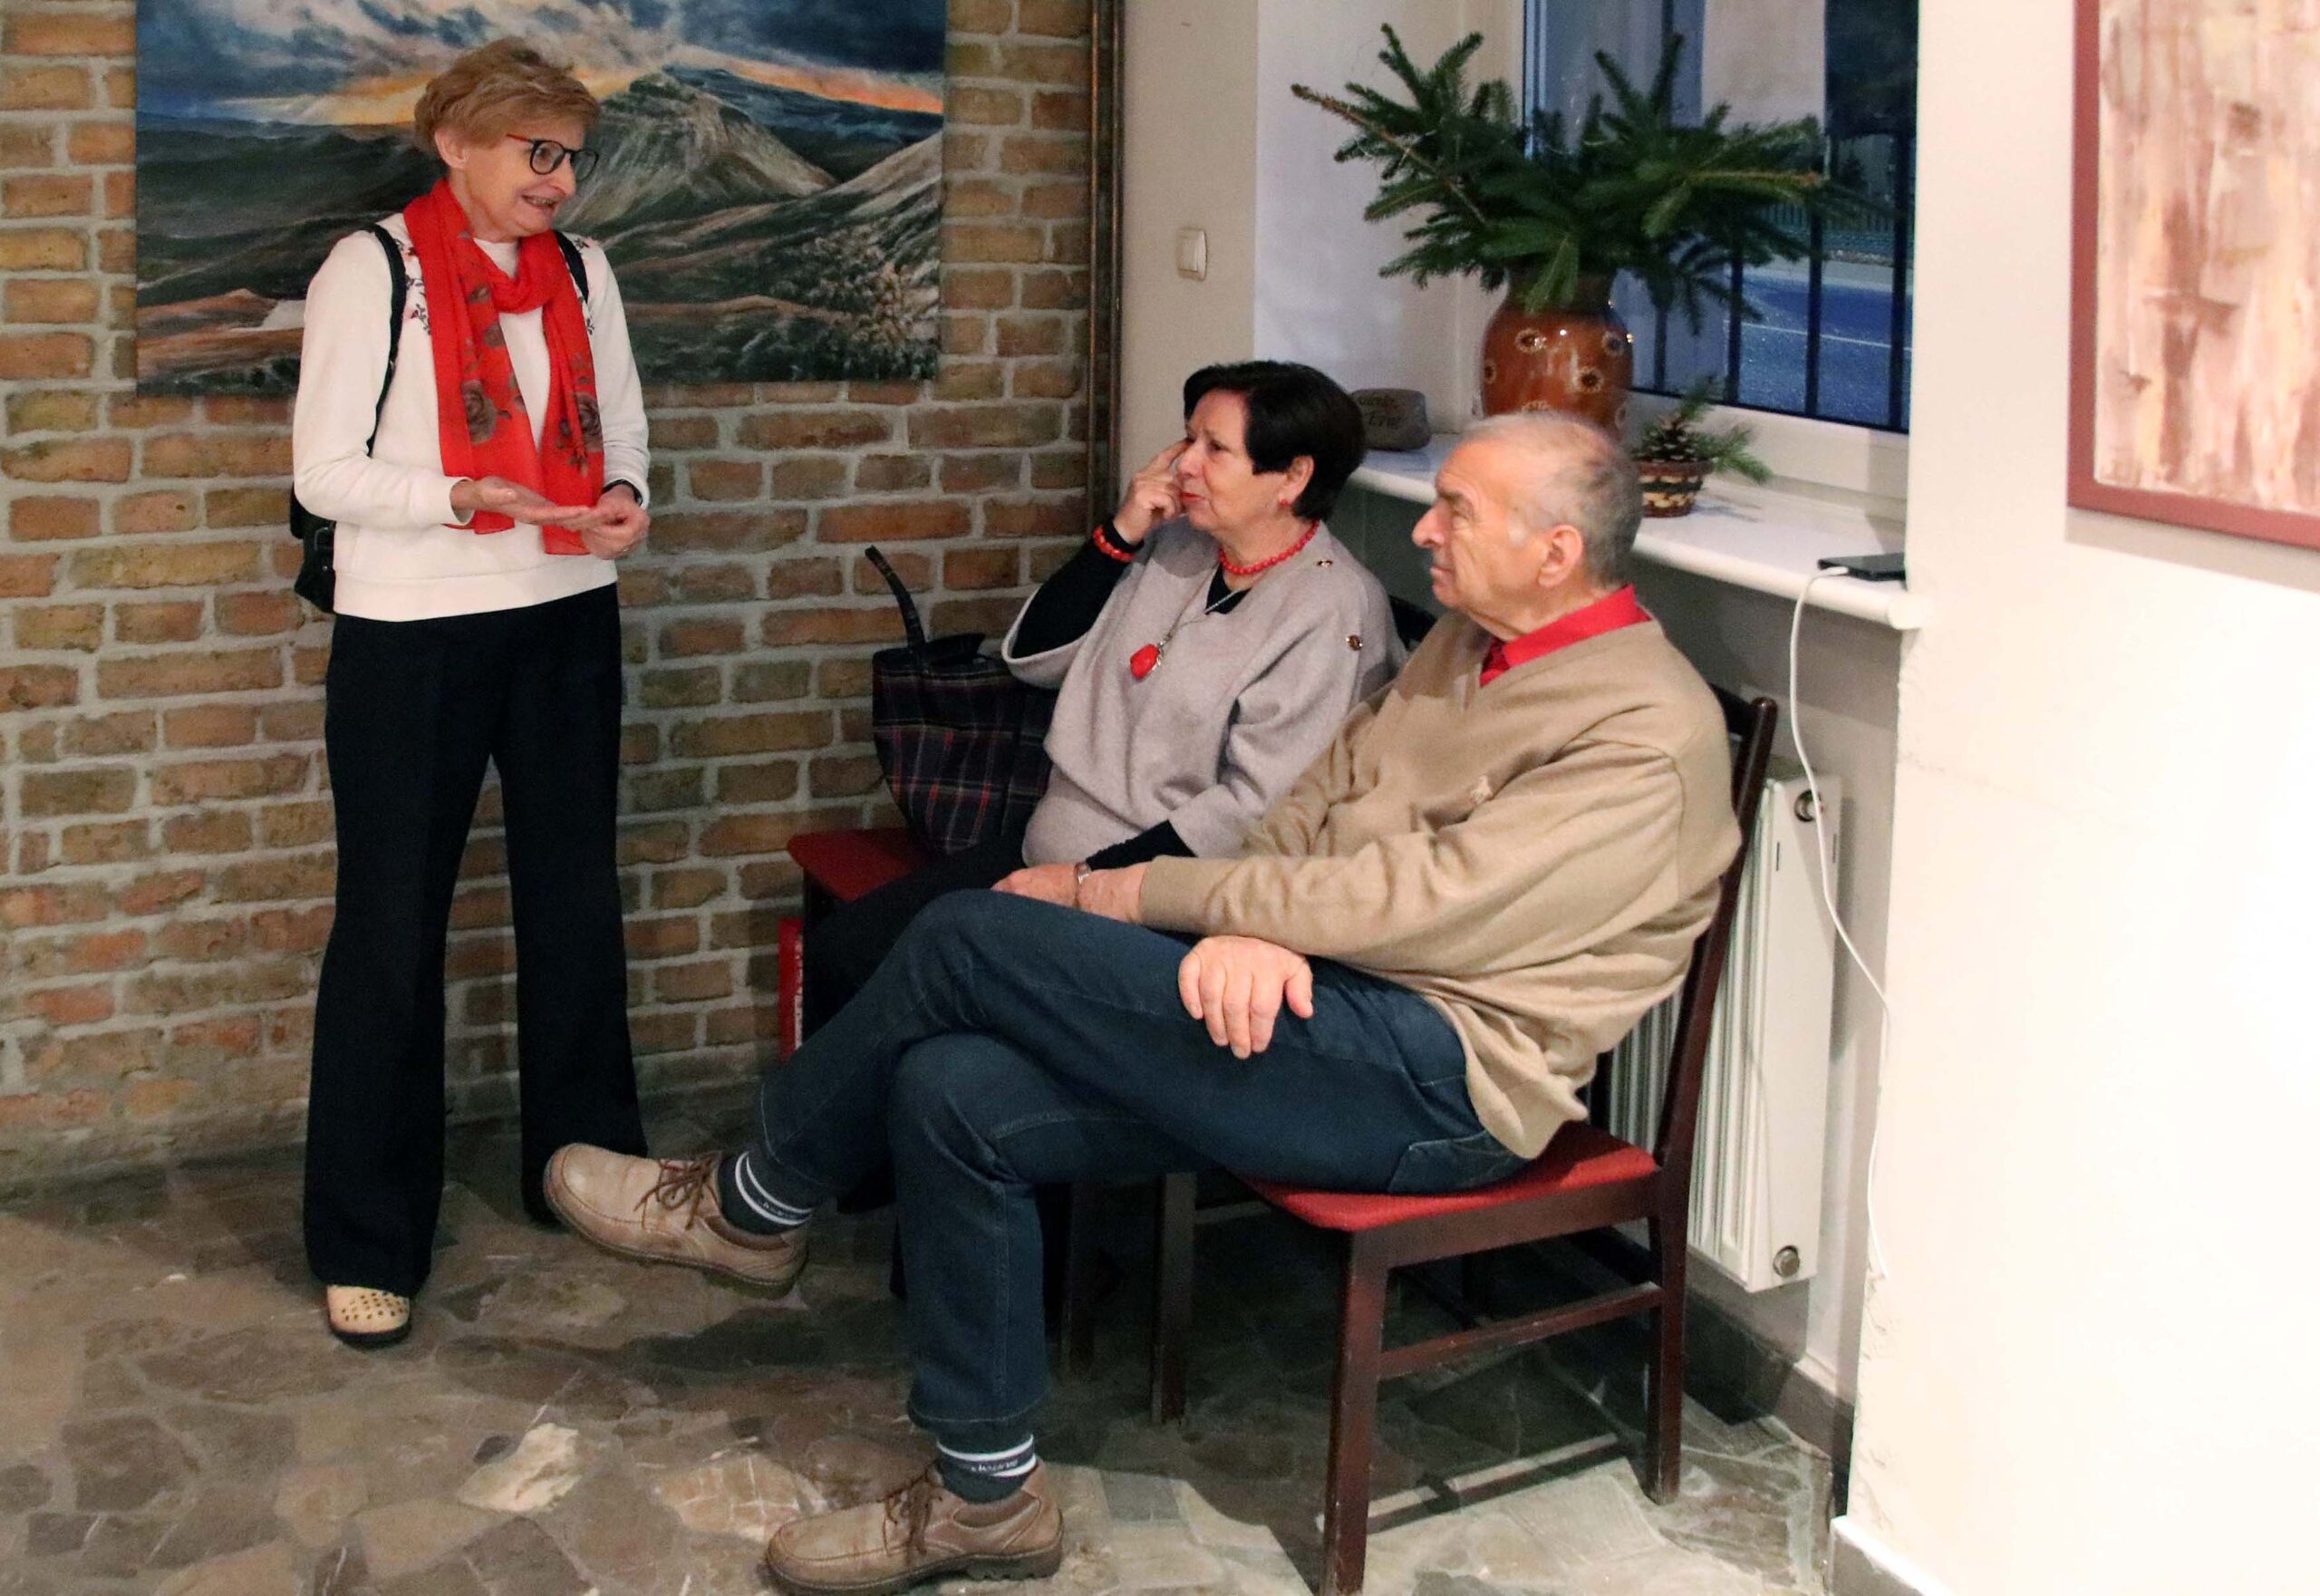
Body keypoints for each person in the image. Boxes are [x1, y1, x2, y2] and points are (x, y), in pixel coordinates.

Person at [544, 413, 1740, 1596]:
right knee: (951, 1089)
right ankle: (986, 1497)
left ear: (1555, 552)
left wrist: (1126, 893)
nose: (1424, 529)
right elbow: (1316, 795)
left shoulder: (1640, 731)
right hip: (1324, 1002)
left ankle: (753, 1202)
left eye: (1456, 512)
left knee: (967, 934)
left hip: (1440, 1078)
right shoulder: (1470, 642)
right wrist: (1253, 926)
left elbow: (1417, 903)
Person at [290, 39, 652, 1349]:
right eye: (534, 151)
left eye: (571, 156)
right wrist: (459, 494)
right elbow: (325, 472)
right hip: (412, 635)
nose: (558, 179)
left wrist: (624, 498)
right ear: (456, 143)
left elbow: (623, 430)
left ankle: (584, 1171)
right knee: (392, 927)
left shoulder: (584, 272)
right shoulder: (372, 270)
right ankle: (368, 1236)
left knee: (575, 901)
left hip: (564, 615)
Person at [802, 360, 1401, 1032]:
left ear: (1292, 477)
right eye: (1188, 439)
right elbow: (1036, 658)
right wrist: (1120, 533)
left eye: (1215, 448)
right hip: (1044, 850)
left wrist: (1084, 882)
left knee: (929, 1014)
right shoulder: (1179, 544)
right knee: (846, 951)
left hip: (1149, 902)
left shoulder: (1332, 607)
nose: (1184, 464)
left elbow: (1250, 811)